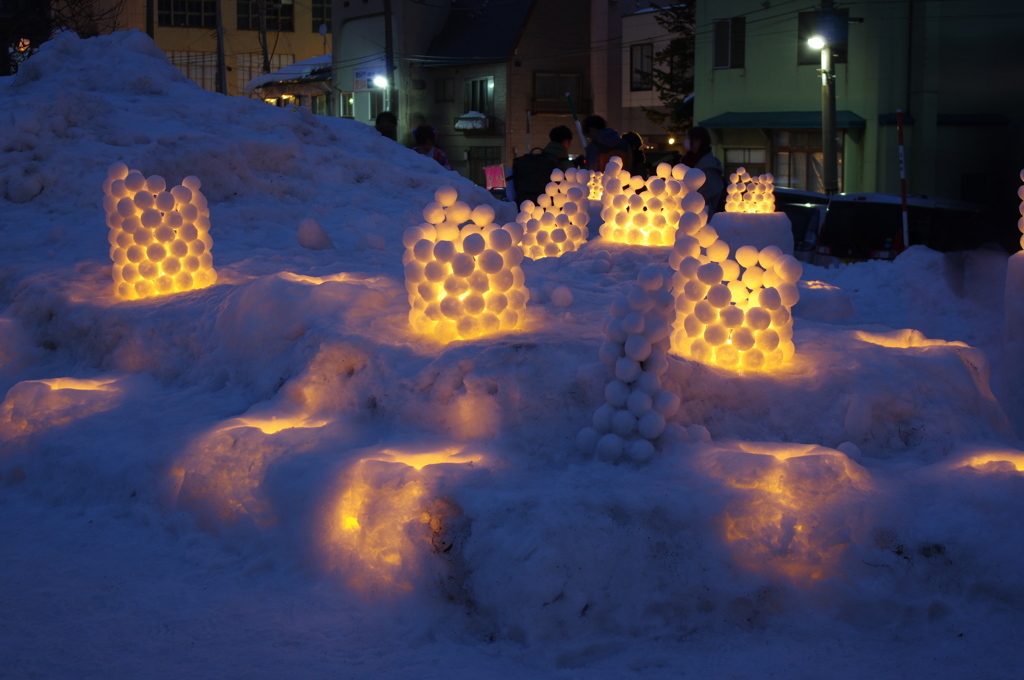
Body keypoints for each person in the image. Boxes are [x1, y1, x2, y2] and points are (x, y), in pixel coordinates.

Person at [685, 126, 724, 214]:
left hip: (704, 215)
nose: (687, 141)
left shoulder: (710, 168)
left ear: (697, 141)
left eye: (689, 138)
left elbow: (703, 194)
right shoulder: (692, 161)